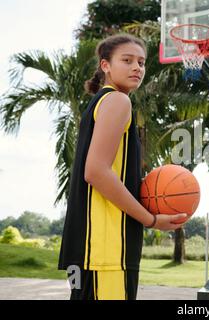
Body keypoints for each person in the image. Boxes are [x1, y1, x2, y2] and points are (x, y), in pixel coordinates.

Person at [58, 34, 186, 300]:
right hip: (106, 247)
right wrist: (150, 219)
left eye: (141, 62)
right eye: (127, 61)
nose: (137, 67)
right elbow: (96, 171)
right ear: (105, 65)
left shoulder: (99, 103)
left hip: (86, 247)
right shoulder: (118, 101)